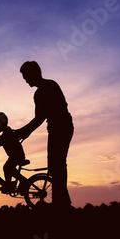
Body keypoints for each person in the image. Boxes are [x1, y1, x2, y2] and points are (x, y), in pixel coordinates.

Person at [16, 61, 74, 208]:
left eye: (26, 76)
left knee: (57, 165)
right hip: (55, 129)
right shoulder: (39, 93)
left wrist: (24, 131)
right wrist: (25, 132)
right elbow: (39, 118)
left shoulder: (49, 87)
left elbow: (40, 118)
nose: (25, 80)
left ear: (34, 74)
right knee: (55, 166)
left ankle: (62, 203)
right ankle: (62, 202)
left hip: (62, 128)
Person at [0, 112, 28, 193]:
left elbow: (1, 142)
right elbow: (1, 138)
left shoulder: (8, 132)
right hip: (14, 156)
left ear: (1, 123)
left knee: (7, 168)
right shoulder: (6, 131)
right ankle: (9, 184)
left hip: (17, 156)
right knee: (7, 168)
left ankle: (22, 181)